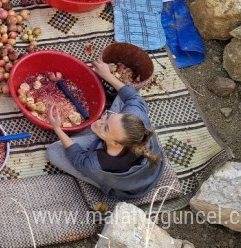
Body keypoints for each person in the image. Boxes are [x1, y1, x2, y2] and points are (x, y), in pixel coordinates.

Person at [45, 59, 165, 199]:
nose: (99, 121)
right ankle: (109, 127)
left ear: (115, 143)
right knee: (126, 95)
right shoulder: (136, 117)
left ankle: (93, 139)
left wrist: (58, 129)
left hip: (125, 188)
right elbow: (133, 98)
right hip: (137, 157)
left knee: (53, 152)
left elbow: (78, 159)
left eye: (105, 127)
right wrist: (107, 75)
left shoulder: (97, 165)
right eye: (107, 117)